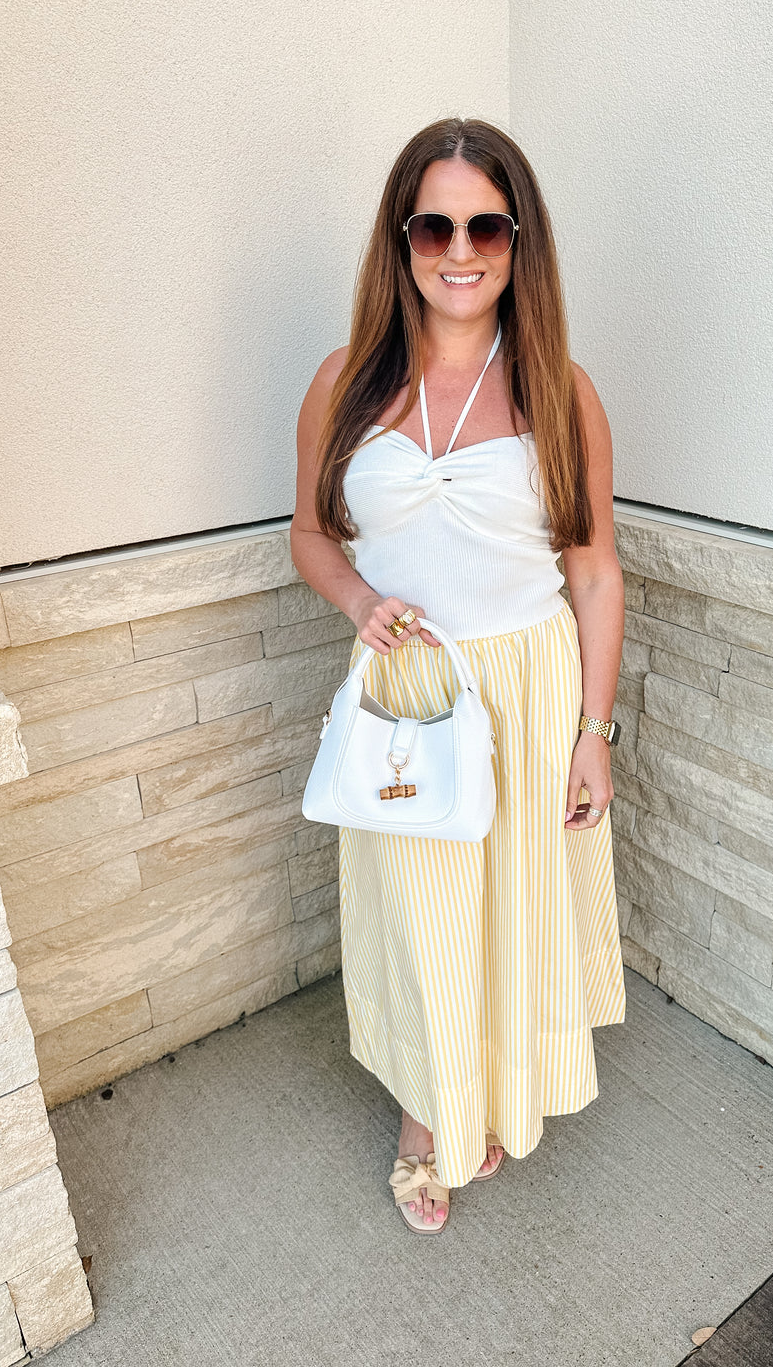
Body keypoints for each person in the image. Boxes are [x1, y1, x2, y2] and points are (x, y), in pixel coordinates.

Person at [289, 117, 627, 1234]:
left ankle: (484, 1090)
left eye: (487, 225)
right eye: (434, 225)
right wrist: (358, 602)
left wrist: (593, 731)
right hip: (407, 697)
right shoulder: (345, 382)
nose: (461, 249)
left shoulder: (562, 392)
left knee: (507, 912)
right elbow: (310, 536)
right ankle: (426, 1114)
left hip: (526, 694)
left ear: (520, 241)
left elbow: (594, 573)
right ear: (403, 239)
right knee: (422, 914)